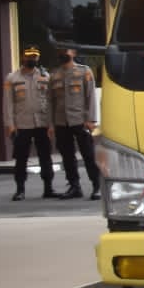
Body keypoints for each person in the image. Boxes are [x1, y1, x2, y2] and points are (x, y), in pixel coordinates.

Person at [3, 45, 55, 202]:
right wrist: (10, 125)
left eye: (35, 56)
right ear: (22, 57)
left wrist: (52, 124)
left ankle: (48, 188)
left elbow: (52, 102)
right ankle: (20, 190)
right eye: (29, 56)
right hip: (22, 124)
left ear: (38, 58)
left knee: (45, 157)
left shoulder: (46, 77)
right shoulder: (12, 78)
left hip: (42, 124)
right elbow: (8, 104)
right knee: (21, 159)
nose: (32, 59)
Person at [49, 47, 101, 201]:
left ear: (74, 53)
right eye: (61, 51)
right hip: (61, 121)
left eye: (67, 50)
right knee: (67, 156)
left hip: (81, 120)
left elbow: (90, 96)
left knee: (88, 155)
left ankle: (96, 186)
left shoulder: (84, 72)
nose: (63, 53)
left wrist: (91, 119)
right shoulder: (54, 75)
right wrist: (51, 124)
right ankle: (74, 186)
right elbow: (51, 101)